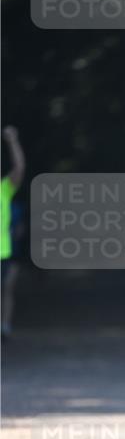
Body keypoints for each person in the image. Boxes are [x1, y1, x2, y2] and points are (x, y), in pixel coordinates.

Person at [1, 126, 26, 341]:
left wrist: (12, 142)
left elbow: (19, 168)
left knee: (6, 289)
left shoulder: (4, 189)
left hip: (4, 252)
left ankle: (5, 326)